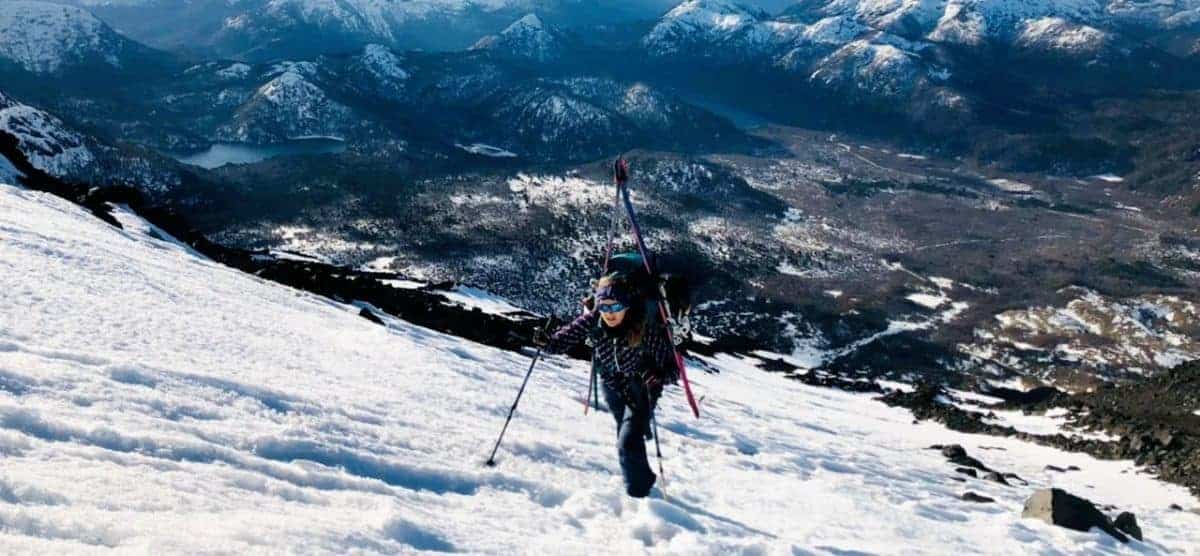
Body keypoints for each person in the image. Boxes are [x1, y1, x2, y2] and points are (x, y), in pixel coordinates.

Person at [538, 272, 678, 498]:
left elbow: (673, 370)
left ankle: (640, 493)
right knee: (627, 432)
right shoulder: (594, 320)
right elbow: (563, 340)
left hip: (640, 386)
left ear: (627, 306)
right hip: (611, 383)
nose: (609, 314)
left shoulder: (644, 328)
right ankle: (639, 437)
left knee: (627, 442)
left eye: (615, 307)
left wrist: (658, 376)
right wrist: (547, 342)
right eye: (604, 307)